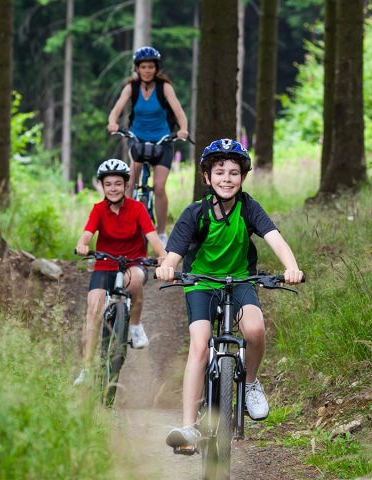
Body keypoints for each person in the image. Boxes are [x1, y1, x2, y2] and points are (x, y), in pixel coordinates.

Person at [155, 139, 304, 448]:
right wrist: (168, 267)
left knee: (255, 329)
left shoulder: (248, 207)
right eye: (219, 172)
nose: (226, 178)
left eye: (234, 173)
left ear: (243, 178)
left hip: (240, 281)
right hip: (201, 283)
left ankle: (249, 384)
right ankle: (188, 428)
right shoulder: (196, 212)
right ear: (207, 178)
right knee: (199, 346)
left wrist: (291, 266)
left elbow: (274, 237)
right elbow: (175, 252)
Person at [73, 159, 167, 385]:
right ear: (102, 187)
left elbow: (152, 236)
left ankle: (134, 326)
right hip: (105, 264)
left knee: (135, 280)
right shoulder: (98, 210)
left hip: (133, 263)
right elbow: (87, 233)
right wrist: (82, 245)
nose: (113, 188)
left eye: (118, 183)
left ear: (126, 185)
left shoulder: (137, 208)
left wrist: (163, 256)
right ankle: (86, 369)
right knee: (93, 309)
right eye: (108, 184)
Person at [107, 46, 189, 248]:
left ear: (156, 68)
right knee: (130, 183)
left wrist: (183, 129)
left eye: (151, 66)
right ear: (137, 68)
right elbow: (116, 109)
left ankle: (161, 233)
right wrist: (112, 123)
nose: (147, 70)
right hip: (138, 140)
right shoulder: (131, 88)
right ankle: (124, 225)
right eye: (143, 66)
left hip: (162, 142)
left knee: (159, 187)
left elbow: (179, 111)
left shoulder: (164, 87)